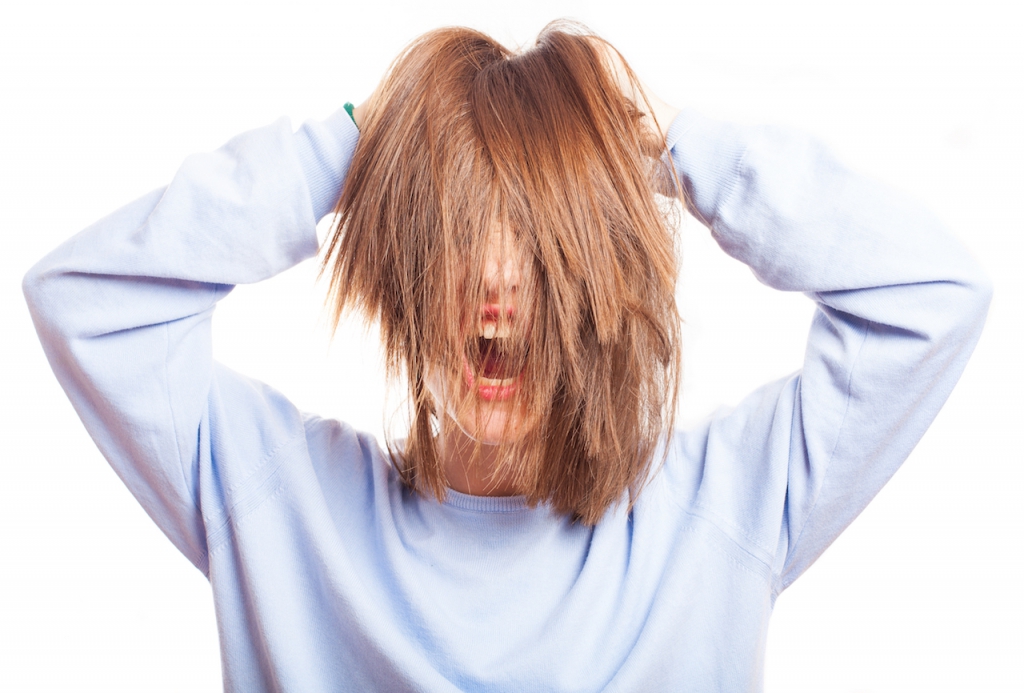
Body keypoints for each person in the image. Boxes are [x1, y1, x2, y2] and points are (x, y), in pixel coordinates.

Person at [23, 21, 990, 693]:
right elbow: (84, 300)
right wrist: (363, 138)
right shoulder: (276, 495)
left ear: (604, 280)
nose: (498, 283)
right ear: (403, 272)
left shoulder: (723, 506)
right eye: (457, 232)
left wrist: (668, 138)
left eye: (540, 238)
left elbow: (933, 296)